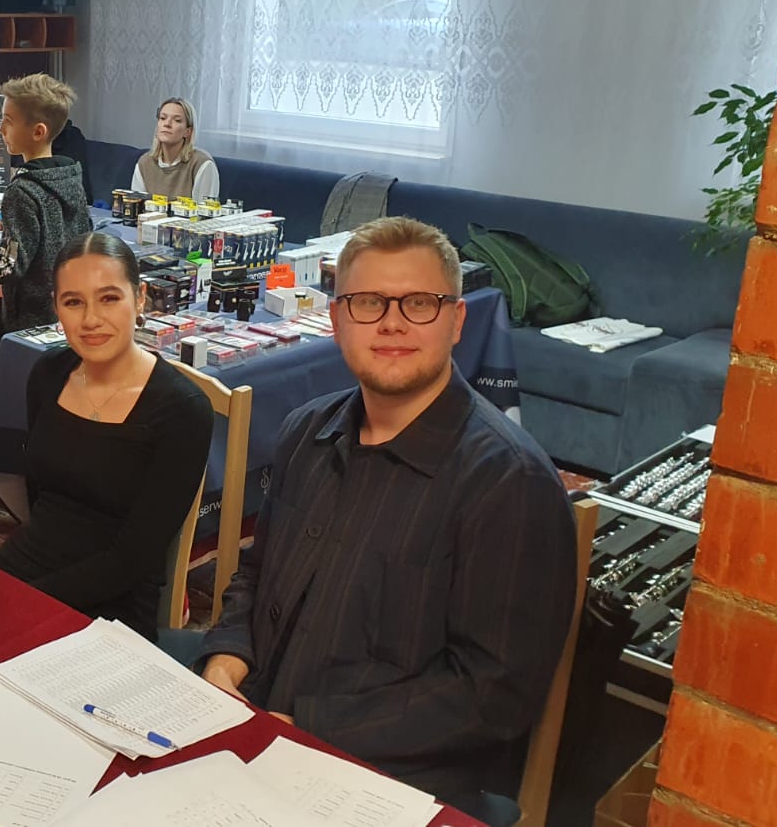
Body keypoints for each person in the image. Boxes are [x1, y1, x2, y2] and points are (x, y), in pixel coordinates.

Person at [192, 217, 576, 808]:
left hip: (389, 778)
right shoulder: (305, 431)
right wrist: (227, 653)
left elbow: (494, 693)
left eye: (419, 303)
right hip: (258, 722)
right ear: (337, 319)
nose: (392, 322)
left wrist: (310, 727)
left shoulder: (509, 483)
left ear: (457, 321)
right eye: (369, 302)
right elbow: (257, 571)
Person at [0, 233, 212, 641]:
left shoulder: (181, 409)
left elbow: (133, 560)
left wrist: (27, 603)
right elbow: (40, 499)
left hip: (115, 602)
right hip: (29, 564)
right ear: (56, 307)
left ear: (140, 299)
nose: (91, 319)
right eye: (74, 302)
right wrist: (11, 594)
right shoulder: (48, 373)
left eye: (109, 298)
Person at [0, 74, 92, 332]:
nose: (0, 129)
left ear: (38, 131)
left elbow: (8, 268)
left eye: (8, 121)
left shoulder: (22, 190)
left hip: (30, 323)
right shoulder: (71, 177)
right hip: (68, 316)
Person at [131, 97, 219, 200]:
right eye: (163, 118)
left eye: (177, 120)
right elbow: (136, 205)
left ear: (188, 132)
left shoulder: (202, 164)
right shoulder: (144, 163)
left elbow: (204, 209)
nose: (167, 124)